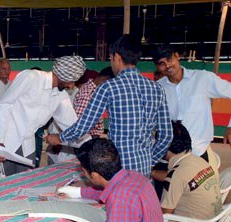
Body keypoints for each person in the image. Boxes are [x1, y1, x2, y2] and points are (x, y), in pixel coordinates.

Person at [48, 35, 172, 177]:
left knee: (117, 199)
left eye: (111, 59)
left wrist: (60, 137)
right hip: (143, 168)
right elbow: (167, 135)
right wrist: (150, 160)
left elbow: (84, 125)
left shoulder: (109, 87)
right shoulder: (157, 89)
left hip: (117, 166)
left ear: (116, 57)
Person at [0, 56, 84, 175]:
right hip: (5, 139)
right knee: (1, 183)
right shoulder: (31, 77)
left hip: (27, 145)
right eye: (71, 81)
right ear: (63, 76)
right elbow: (4, 104)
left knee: (24, 182)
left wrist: (90, 145)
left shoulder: (61, 95)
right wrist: (0, 139)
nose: (71, 86)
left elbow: (72, 125)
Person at [152, 45, 231, 160]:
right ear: (157, 67)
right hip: (170, 157)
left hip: (200, 153)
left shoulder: (203, 78)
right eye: (161, 63)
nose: (167, 65)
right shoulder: (157, 88)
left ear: (177, 56)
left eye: (169, 59)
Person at [154, 121, 221, 222]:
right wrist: (152, 173)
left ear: (164, 147)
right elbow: (179, 180)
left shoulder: (177, 174)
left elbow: (164, 215)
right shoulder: (199, 161)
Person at [45, 67, 114, 166]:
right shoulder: (87, 94)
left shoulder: (92, 92)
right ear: (105, 80)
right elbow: (77, 126)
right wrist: (60, 138)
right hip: (73, 150)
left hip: (75, 145)